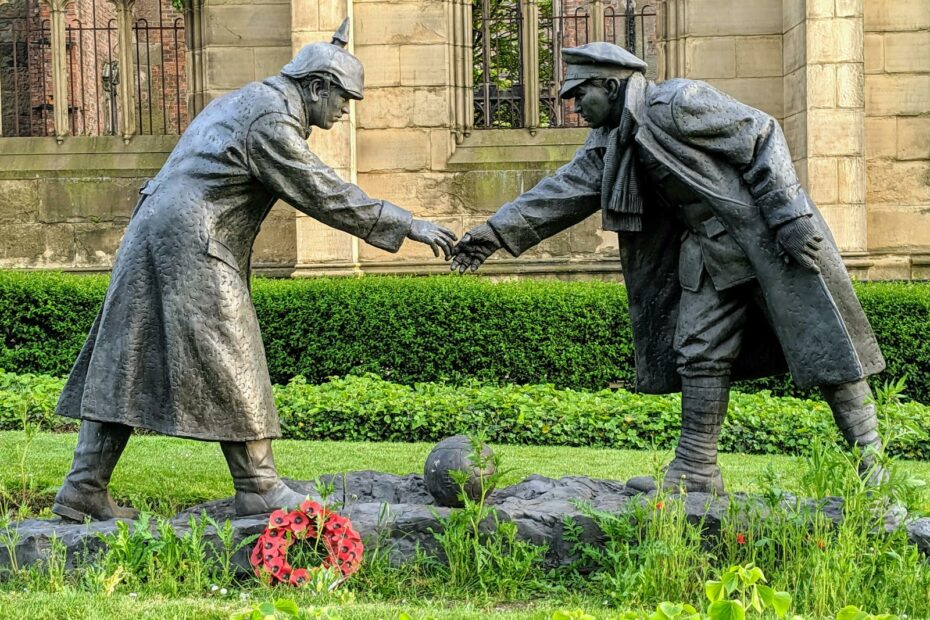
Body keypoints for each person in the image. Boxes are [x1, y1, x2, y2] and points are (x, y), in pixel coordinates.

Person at [52, 20, 456, 521]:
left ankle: (83, 487)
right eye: (343, 99)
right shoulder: (270, 119)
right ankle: (258, 484)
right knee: (232, 350)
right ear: (316, 87)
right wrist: (407, 223)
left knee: (127, 355)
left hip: (156, 235)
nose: (344, 111)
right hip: (193, 243)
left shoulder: (247, 99)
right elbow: (321, 191)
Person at [450, 42, 886, 494]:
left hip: (769, 240)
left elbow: (762, 133)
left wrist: (790, 216)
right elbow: (561, 192)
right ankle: (697, 469)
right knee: (698, 350)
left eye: (580, 95)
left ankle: (873, 467)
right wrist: (491, 235)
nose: (575, 107)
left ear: (611, 85)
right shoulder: (610, 140)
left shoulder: (676, 102)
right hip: (710, 251)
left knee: (827, 349)